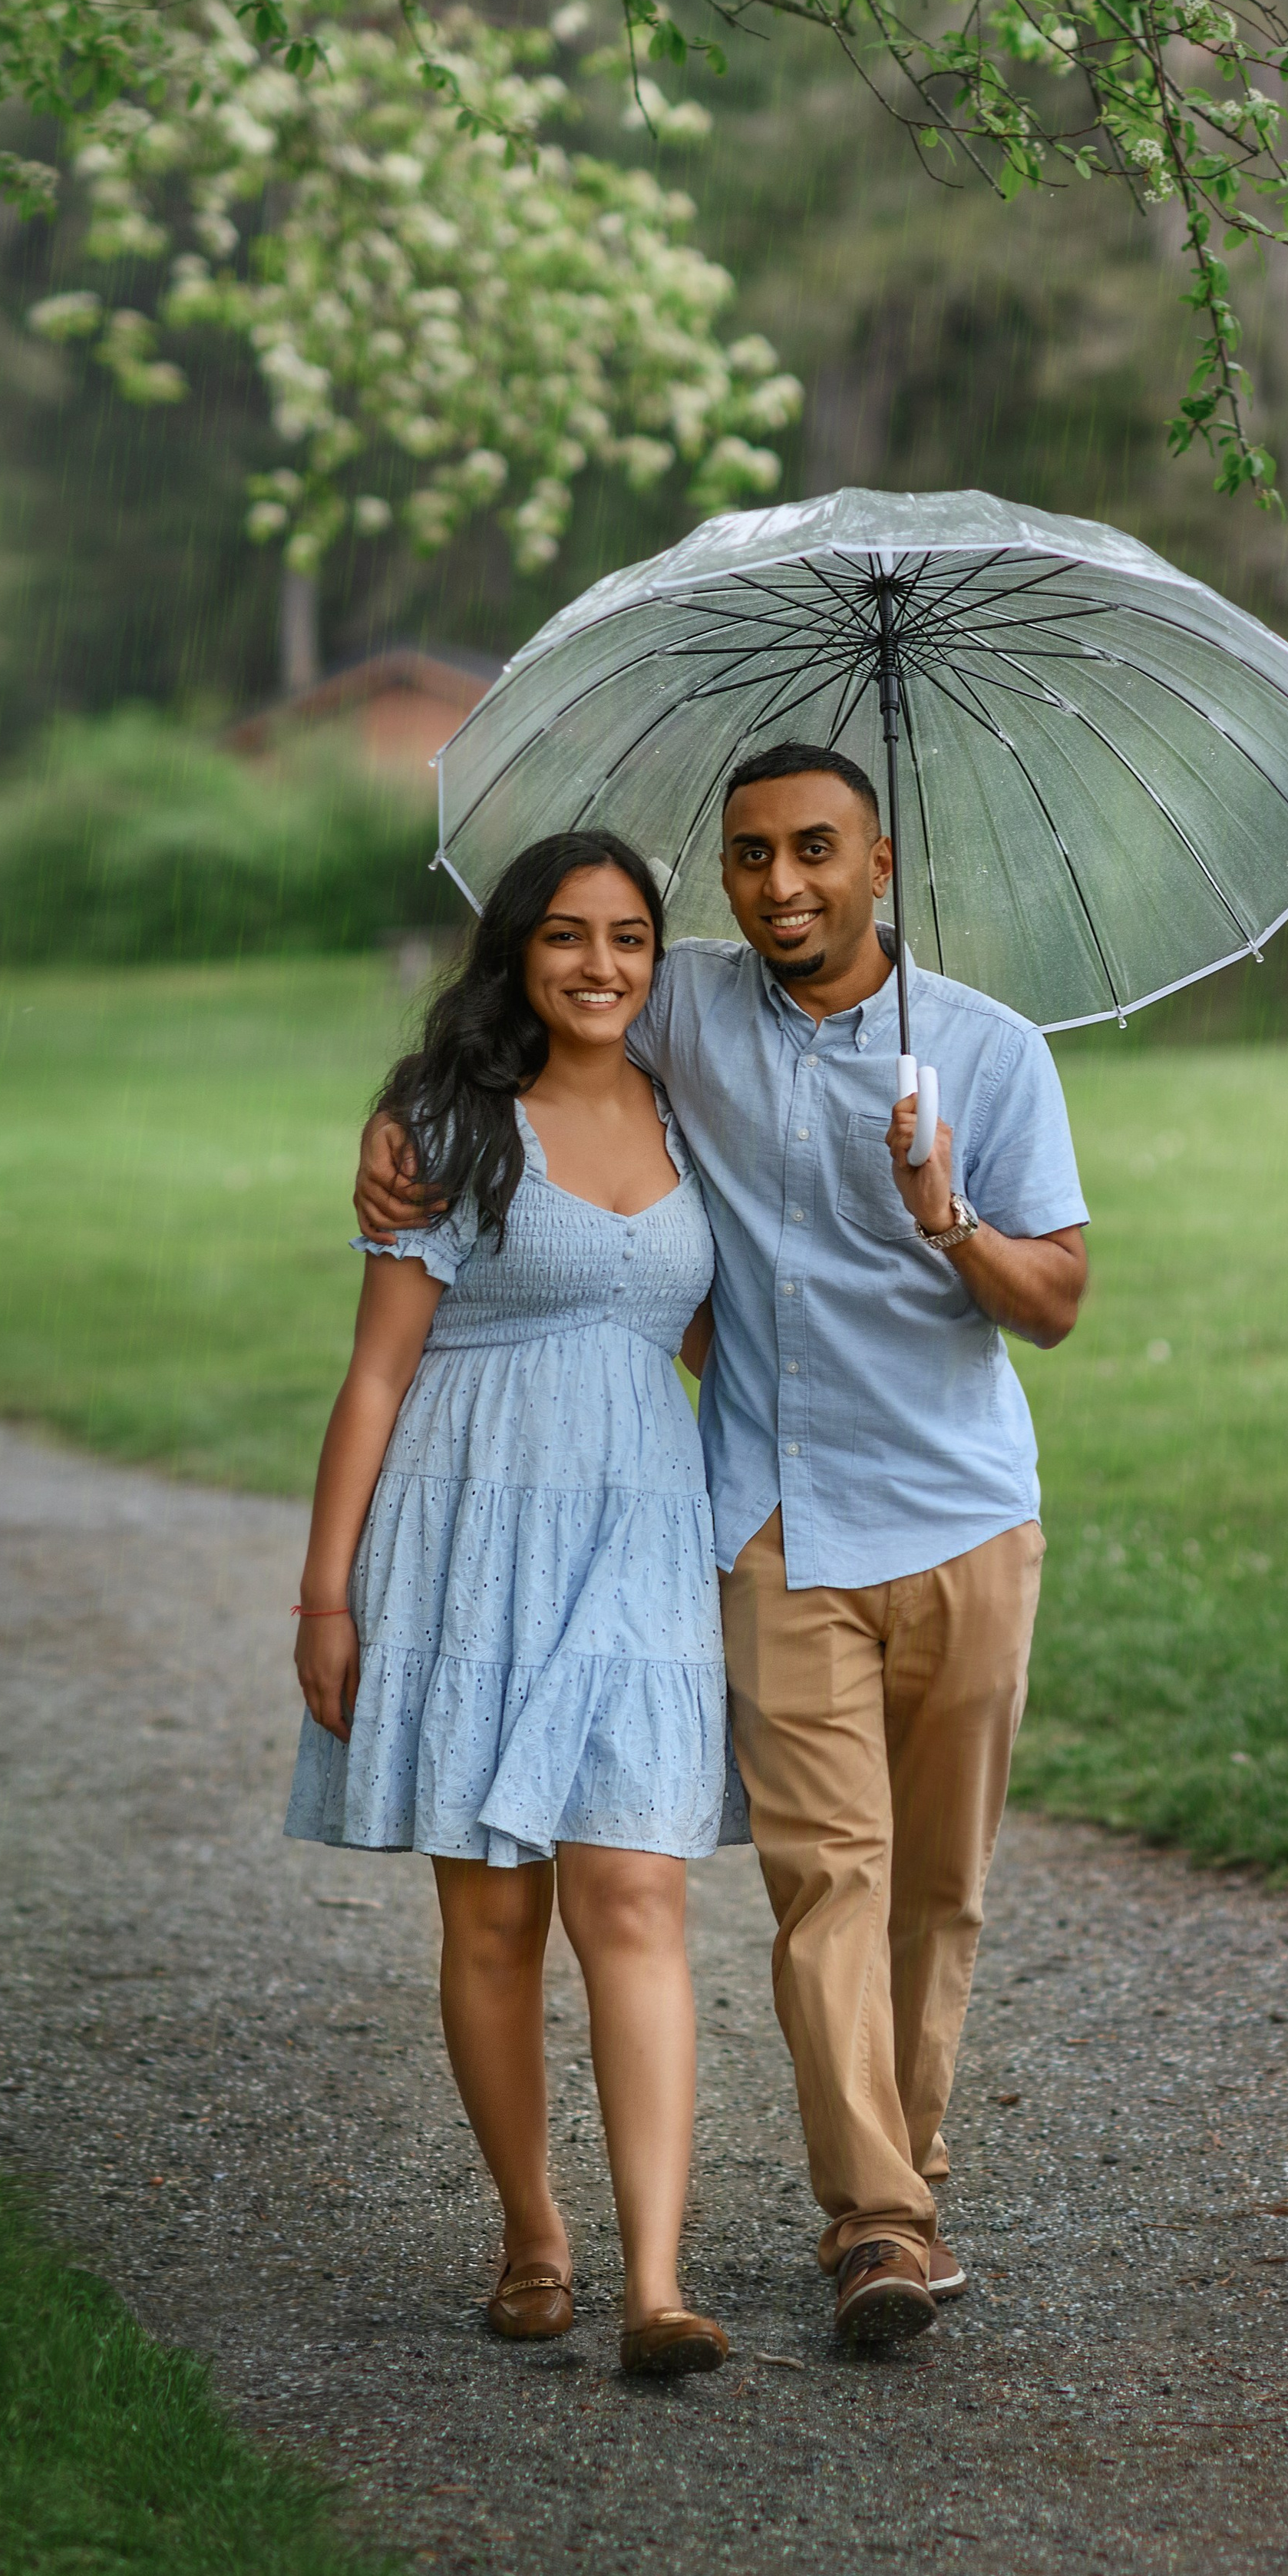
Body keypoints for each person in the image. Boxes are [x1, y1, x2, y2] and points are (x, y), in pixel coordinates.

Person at [358, 744, 1089, 2349]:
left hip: (964, 1511)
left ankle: (910, 2161)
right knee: (828, 1878)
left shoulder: (988, 1049)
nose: (781, 885)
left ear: (877, 865)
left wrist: (948, 1216)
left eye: (815, 851)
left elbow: (1055, 1304)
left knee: (935, 1895)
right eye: (751, 857)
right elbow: (543, 1007)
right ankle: (876, 2229)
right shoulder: (680, 1005)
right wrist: (408, 1116)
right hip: (769, 1520)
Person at [290, 828, 738, 2379]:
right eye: (566, 937)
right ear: (515, 953)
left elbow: (692, 1336)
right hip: (468, 1525)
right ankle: (532, 2231)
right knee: (493, 1911)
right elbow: (374, 1373)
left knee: (635, 1889)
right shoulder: (443, 1121)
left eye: (628, 939)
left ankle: (657, 2285)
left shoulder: (695, 1106)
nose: (600, 966)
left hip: (641, 1538)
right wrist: (323, 1599)